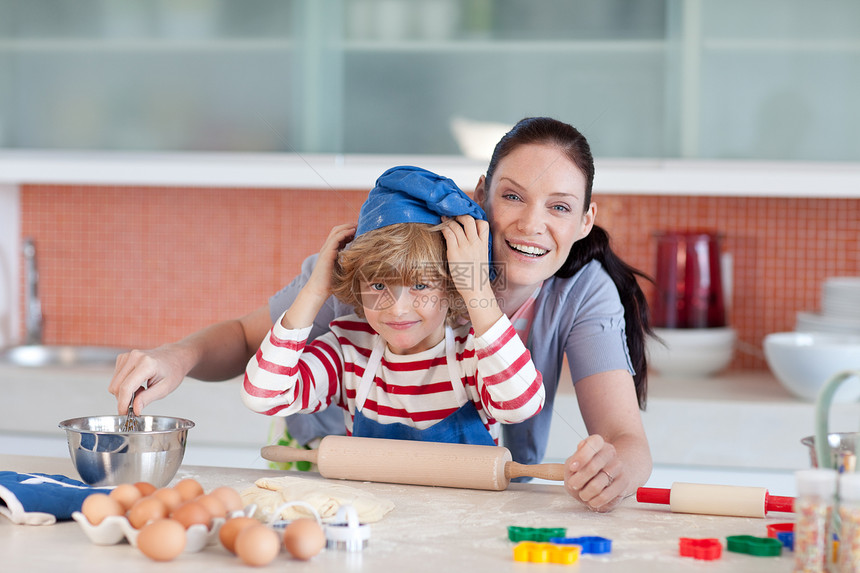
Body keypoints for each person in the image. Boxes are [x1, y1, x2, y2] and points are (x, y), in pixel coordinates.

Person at [108, 116, 652, 511]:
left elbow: (622, 439)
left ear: (585, 219)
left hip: (475, 495)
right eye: (513, 196)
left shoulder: (581, 294)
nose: (532, 224)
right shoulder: (390, 257)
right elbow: (250, 340)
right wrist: (177, 359)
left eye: (559, 206)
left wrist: (613, 472)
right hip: (328, 480)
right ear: (482, 194)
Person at [242, 166, 544, 445]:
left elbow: (522, 405)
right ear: (356, 285)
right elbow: (264, 396)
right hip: (371, 504)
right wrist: (314, 291)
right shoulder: (347, 353)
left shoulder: (473, 357)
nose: (397, 309)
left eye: (420, 285)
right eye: (377, 284)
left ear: (453, 286)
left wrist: (477, 289)